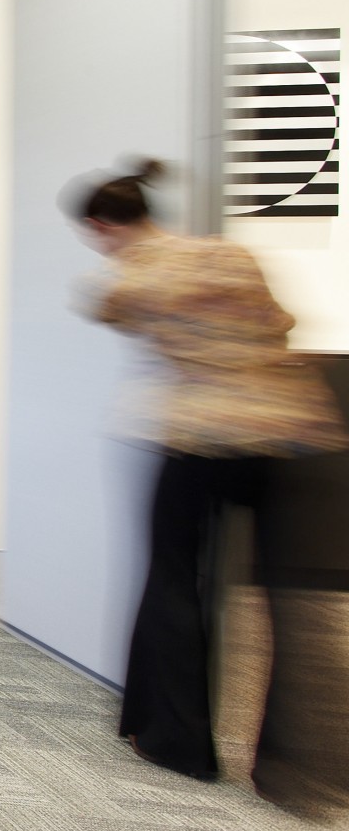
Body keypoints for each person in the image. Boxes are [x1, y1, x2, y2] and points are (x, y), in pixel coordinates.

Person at [72, 159, 345, 793]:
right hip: (284, 434)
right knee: (285, 598)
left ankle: (178, 742)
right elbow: (281, 324)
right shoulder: (228, 255)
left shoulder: (124, 280)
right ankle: (293, 767)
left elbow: (111, 308)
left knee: (175, 581)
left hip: (194, 438)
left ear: (98, 225)